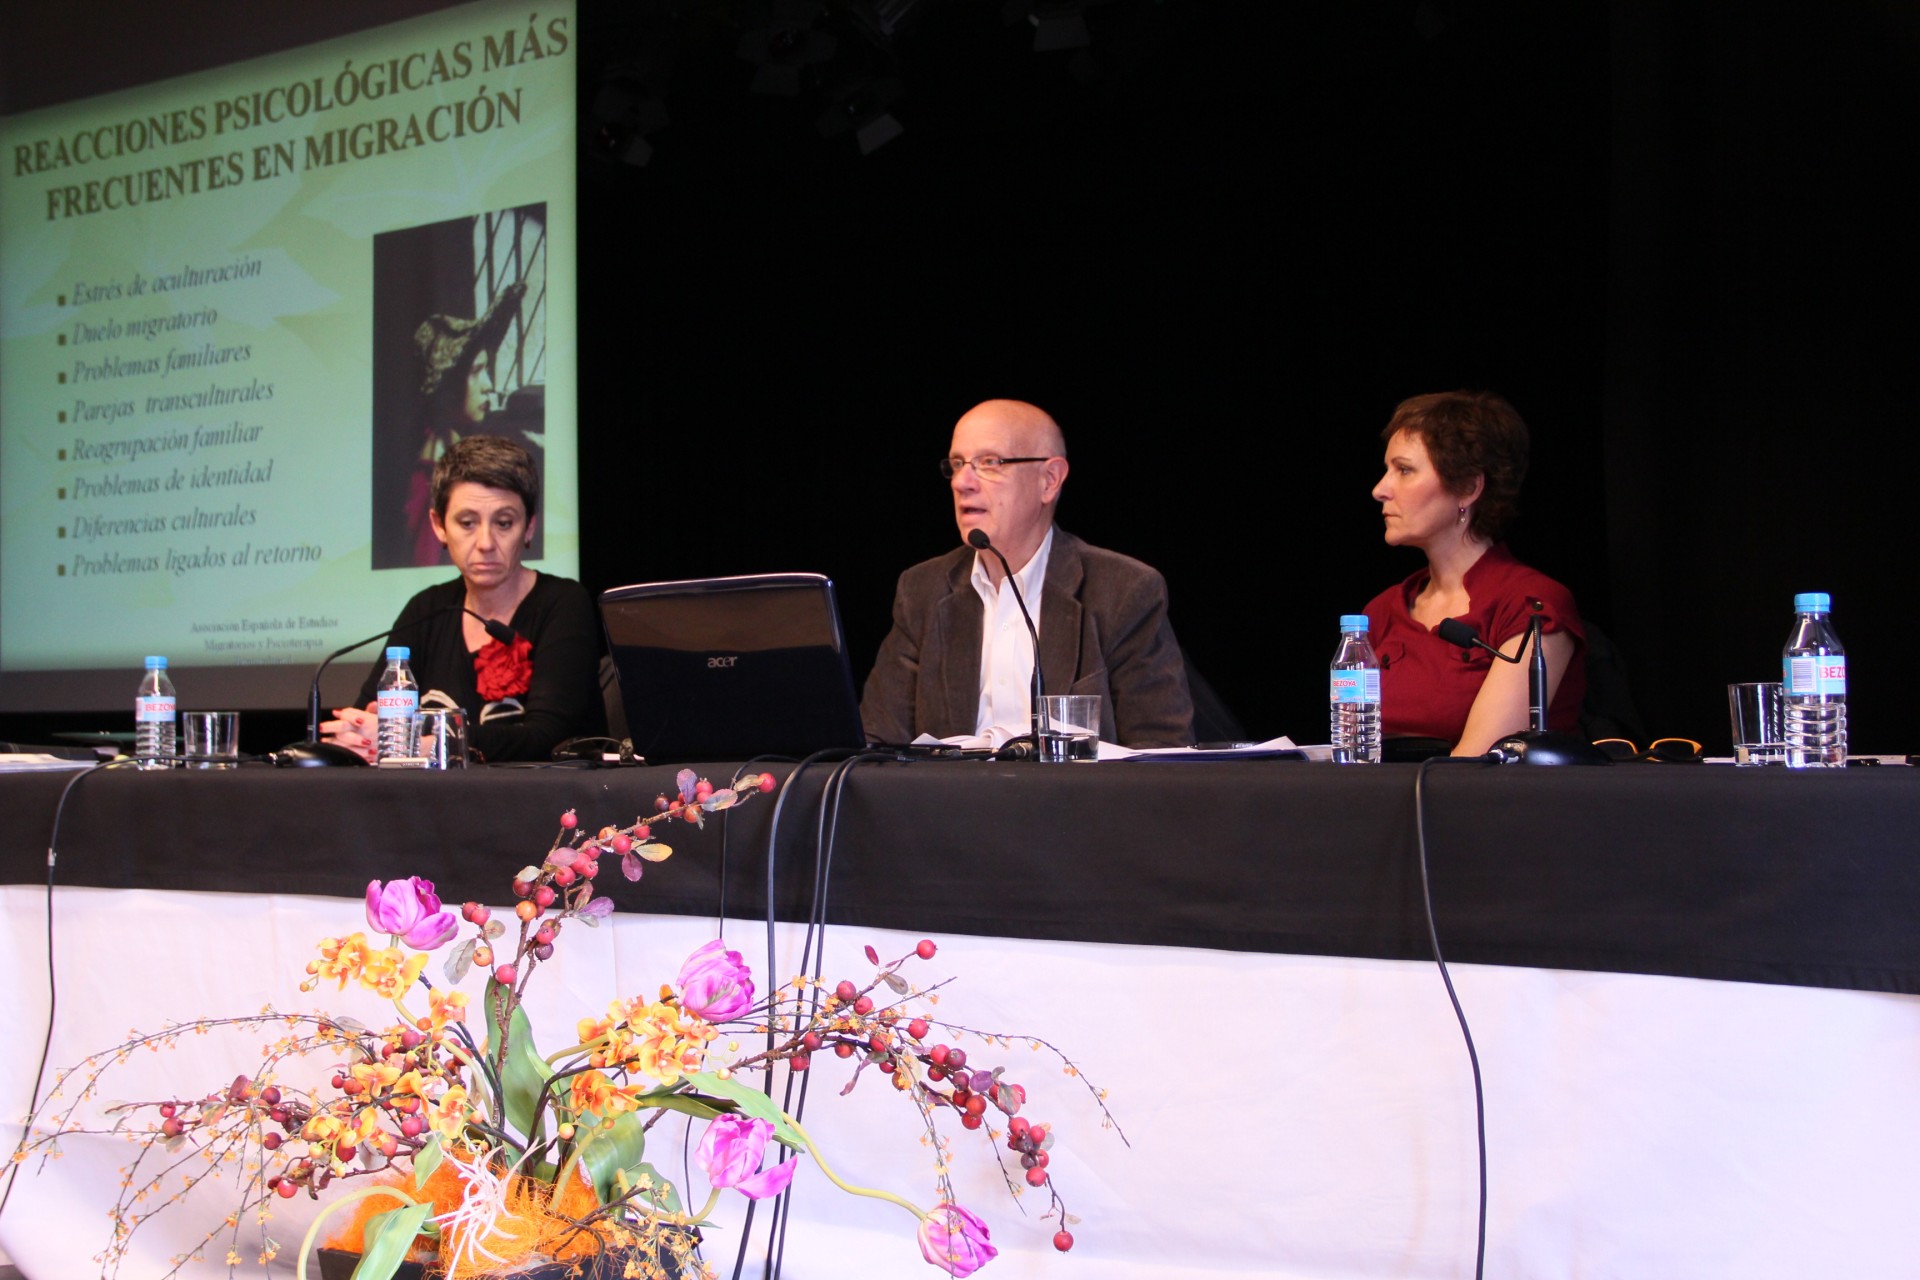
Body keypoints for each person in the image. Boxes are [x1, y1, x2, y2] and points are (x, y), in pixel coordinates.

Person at [860, 399, 1193, 747]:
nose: (962, 482)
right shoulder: (922, 590)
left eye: (990, 462)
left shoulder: (1123, 591)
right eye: (957, 464)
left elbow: (1161, 756)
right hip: (947, 801)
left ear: (1049, 480)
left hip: (1074, 802)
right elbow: (877, 743)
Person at [324, 435, 605, 763]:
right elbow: (367, 714)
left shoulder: (564, 604)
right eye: (467, 523)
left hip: (542, 807)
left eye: (504, 523)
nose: (485, 542)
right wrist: (358, 732)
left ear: (529, 527)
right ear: (439, 525)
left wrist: (421, 744)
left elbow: (547, 738)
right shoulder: (426, 609)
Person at [1362, 390, 1586, 756]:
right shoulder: (1381, 612)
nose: (1380, 489)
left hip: (1489, 810)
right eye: (1387, 470)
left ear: (1468, 487)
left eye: (1404, 470)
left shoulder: (1532, 606)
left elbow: (1475, 770)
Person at [398, 281, 528, 567]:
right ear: (449, 389)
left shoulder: (462, 449)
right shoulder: (429, 475)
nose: (489, 386)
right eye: (478, 372)